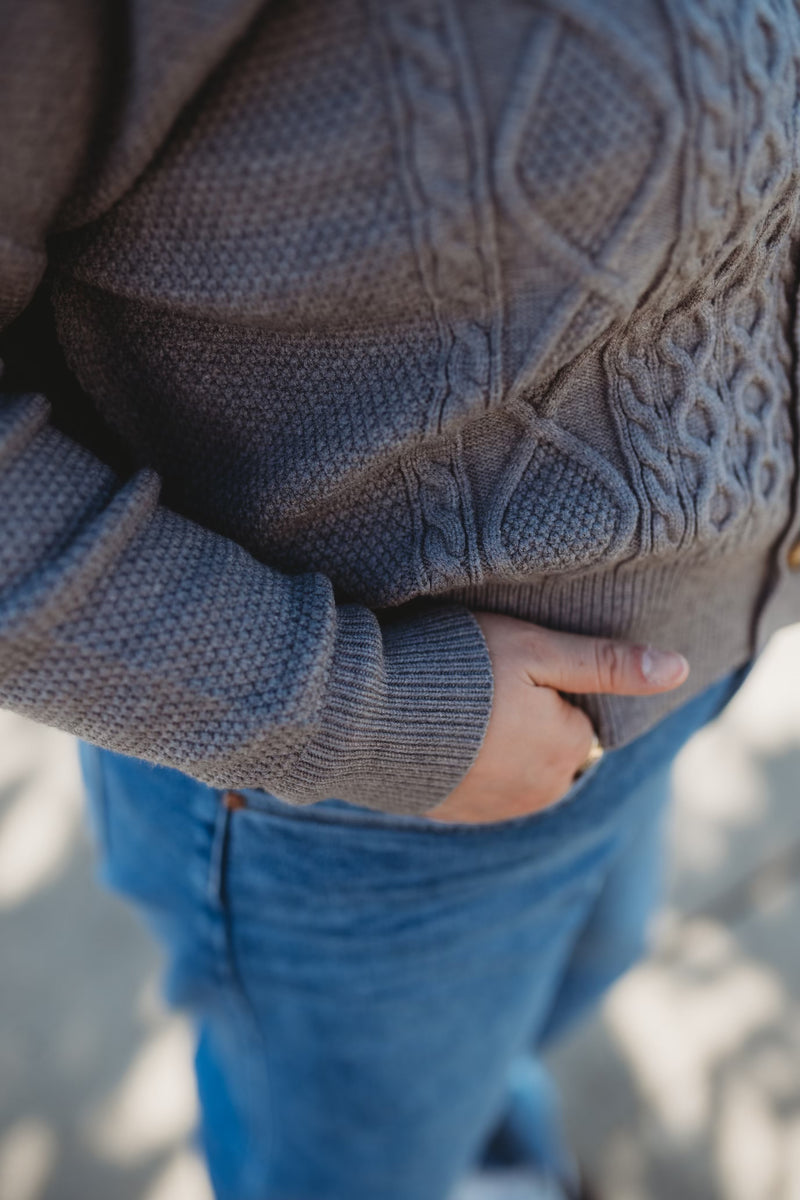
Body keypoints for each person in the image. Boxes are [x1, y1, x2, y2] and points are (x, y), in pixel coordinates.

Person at [2, 2, 799, 1197]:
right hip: (357, 793)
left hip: (669, 688)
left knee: (550, 998)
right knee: (349, 1160)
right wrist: (379, 718)